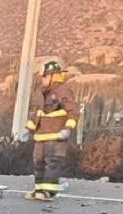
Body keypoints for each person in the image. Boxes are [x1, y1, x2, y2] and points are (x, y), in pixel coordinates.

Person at [17, 60, 79, 201]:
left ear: (53, 76)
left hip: (56, 137)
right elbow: (37, 114)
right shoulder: (40, 93)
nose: (43, 79)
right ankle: (38, 190)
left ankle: (49, 192)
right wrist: (28, 129)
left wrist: (68, 129)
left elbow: (73, 112)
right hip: (41, 137)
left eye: (45, 76)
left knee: (53, 163)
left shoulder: (63, 91)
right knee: (38, 163)